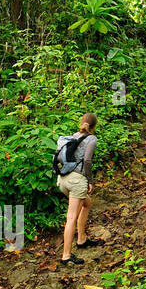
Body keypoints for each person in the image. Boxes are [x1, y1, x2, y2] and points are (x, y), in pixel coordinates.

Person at [56, 112, 105, 266]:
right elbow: (87, 160)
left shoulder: (72, 136)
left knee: (87, 203)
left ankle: (82, 239)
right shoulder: (92, 139)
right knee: (71, 218)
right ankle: (66, 255)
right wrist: (90, 180)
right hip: (77, 181)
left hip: (63, 180)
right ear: (94, 126)